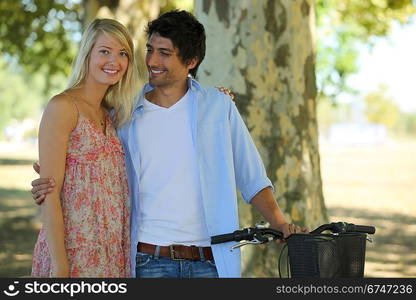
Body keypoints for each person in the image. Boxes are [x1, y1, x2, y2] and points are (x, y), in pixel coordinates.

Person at [31, 10, 307, 278]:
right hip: (147, 259)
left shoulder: (217, 108)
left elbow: (252, 177)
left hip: (210, 260)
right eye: (150, 49)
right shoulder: (125, 114)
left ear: (191, 61)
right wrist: (52, 182)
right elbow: (87, 161)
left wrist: (280, 223)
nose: (152, 60)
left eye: (164, 53)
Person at [30, 18, 139, 277]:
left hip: (112, 254)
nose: (115, 61)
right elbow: (49, 194)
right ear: (87, 54)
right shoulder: (63, 107)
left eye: (123, 53)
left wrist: (211, 99)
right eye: (105, 51)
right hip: (73, 252)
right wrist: (60, 268)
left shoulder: (114, 115)